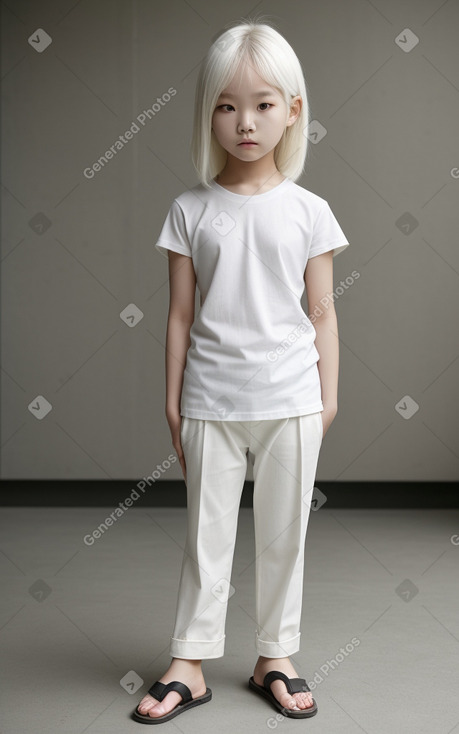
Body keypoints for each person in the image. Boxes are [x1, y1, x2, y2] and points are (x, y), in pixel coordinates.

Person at [133, 16, 350, 725]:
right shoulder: (189, 210)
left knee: (285, 534)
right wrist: (173, 403)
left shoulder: (309, 211)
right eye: (227, 106)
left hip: (290, 398)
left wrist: (328, 401)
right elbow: (177, 317)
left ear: (292, 111)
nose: (245, 122)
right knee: (206, 534)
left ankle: (274, 657)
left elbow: (322, 315)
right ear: (209, 115)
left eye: (262, 104)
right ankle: (189, 663)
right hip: (210, 401)